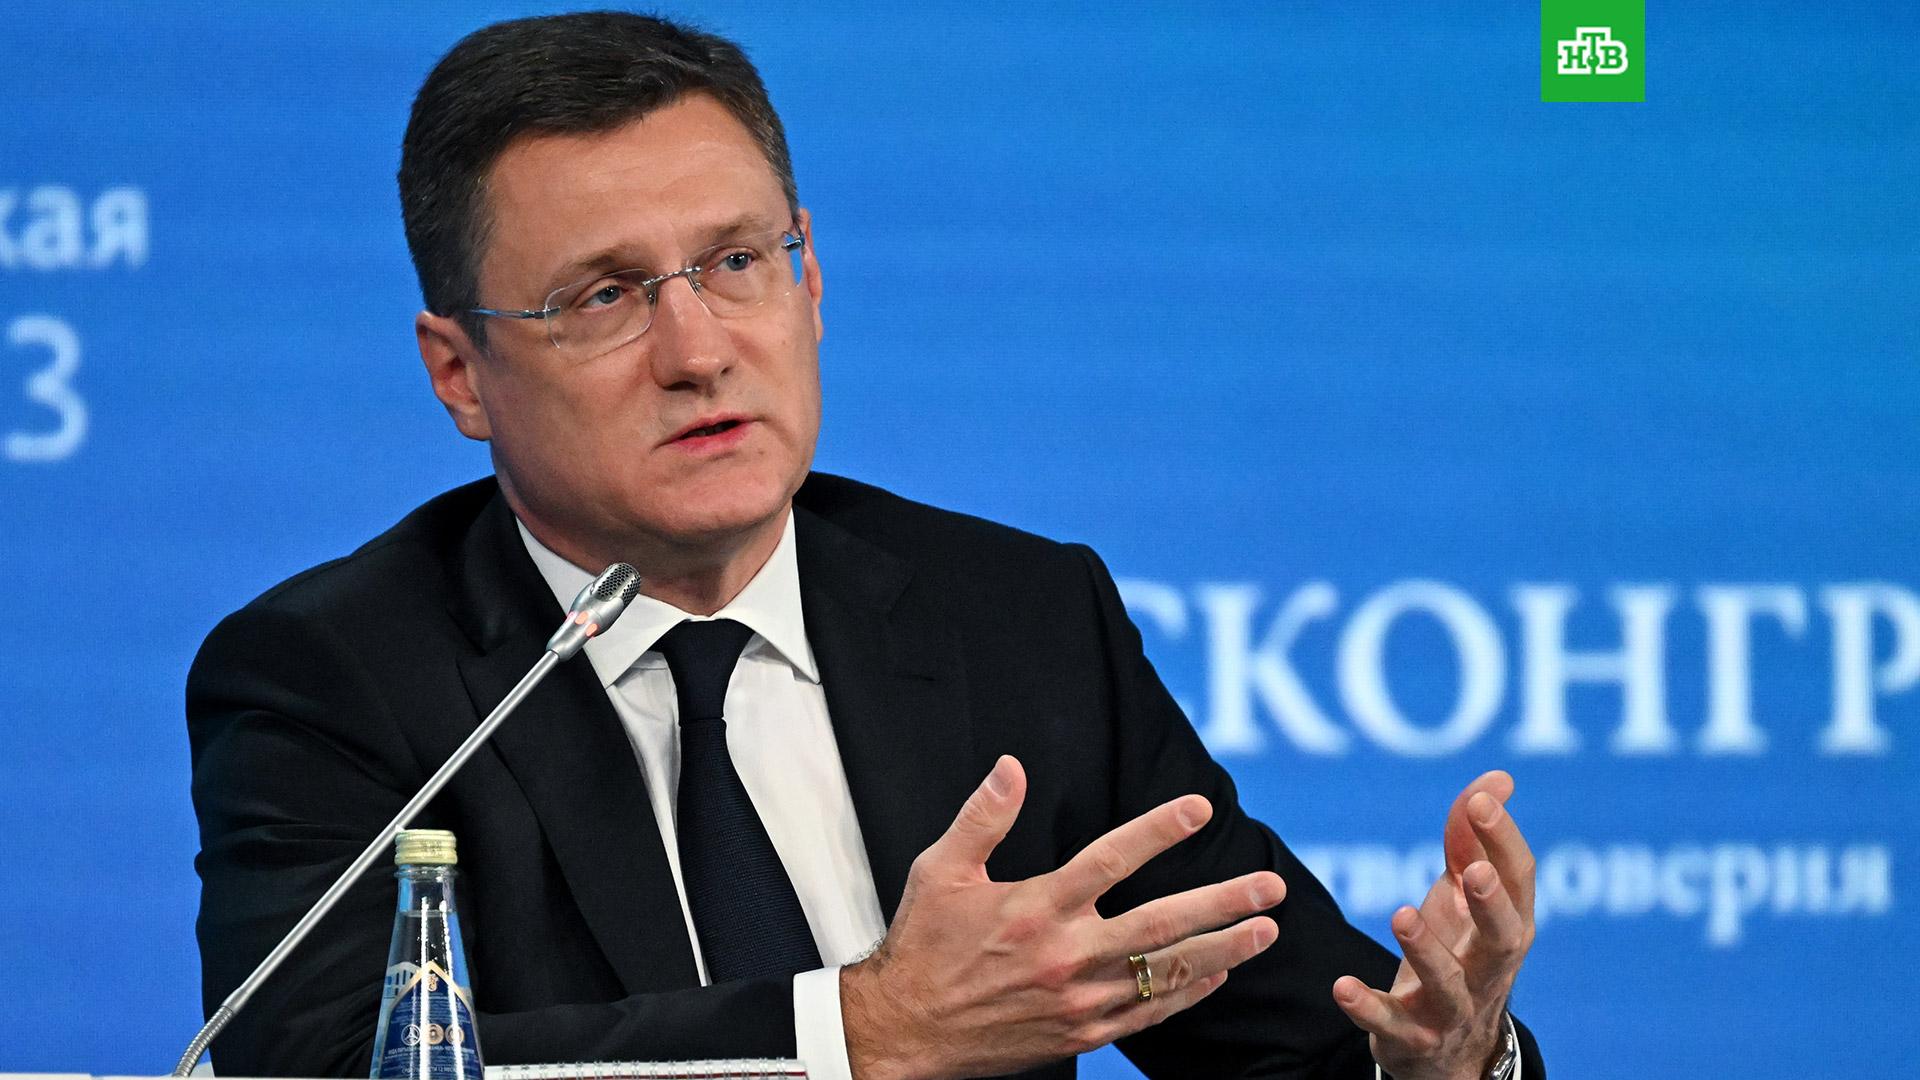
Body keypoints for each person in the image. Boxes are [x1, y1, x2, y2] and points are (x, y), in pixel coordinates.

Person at [188, 12, 1544, 1080]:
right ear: (460, 374)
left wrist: (1446, 1057)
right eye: (604, 295)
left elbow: (1304, 1043)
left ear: (812, 281)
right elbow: (318, 1071)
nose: (698, 350)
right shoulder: (336, 675)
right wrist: (859, 1034)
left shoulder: (1015, 619)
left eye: (737, 262)